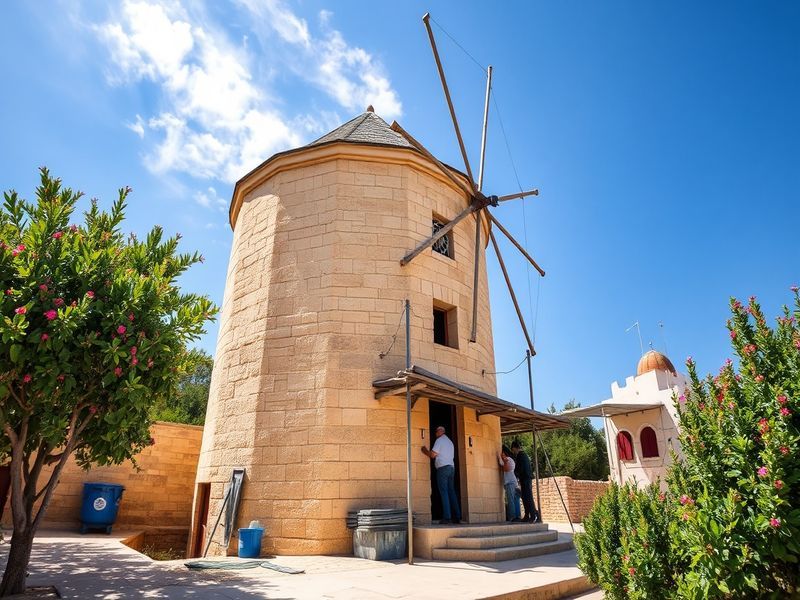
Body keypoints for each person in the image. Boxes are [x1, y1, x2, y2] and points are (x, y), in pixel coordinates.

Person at [422, 425, 461, 524]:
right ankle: (457, 516)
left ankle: (447, 517)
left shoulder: (440, 440)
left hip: (443, 469)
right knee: (451, 491)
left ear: (440, 431)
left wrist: (424, 450)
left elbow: (433, 454)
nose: (435, 433)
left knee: (444, 492)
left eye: (436, 431)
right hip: (451, 468)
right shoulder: (450, 442)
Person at [511, 440, 539, 523]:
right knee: (525, 497)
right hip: (526, 479)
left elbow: (520, 468)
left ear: (515, 448)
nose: (513, 452)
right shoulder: (524, 455)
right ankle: (527, 516)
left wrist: (516, 475)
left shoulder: (520, 455)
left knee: (528, 498)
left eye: (513, 450)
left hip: (525, 479)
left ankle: (533, 516)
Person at [498, 445, 521, 522]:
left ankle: (512, 517)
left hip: (510, 482)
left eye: (503, 454)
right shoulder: (511, 460)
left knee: (511, 500)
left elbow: (506, 468)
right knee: (515, 499)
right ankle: (517, 516)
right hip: (513, 482)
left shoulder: (508, 459)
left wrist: (499, 457)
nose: (502, 455)